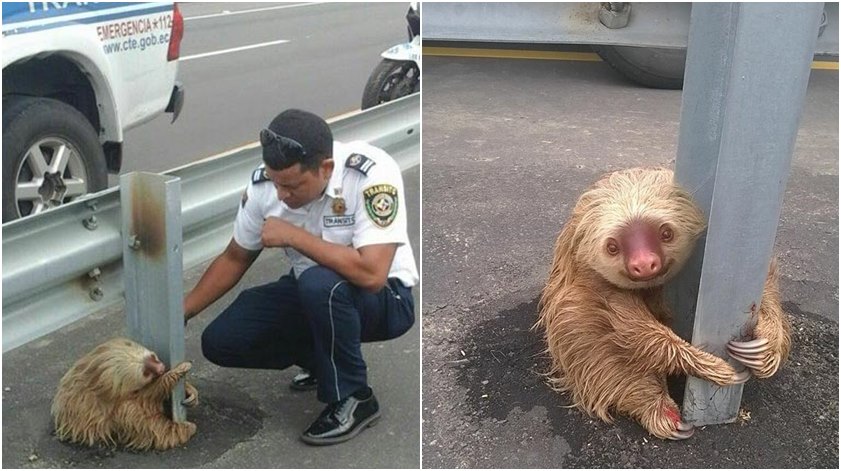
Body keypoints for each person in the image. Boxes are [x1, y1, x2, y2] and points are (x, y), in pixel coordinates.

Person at [183, 109, 418, 445]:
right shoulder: (266, 187)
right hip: (314, 293)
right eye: (276, 183)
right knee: (222, 340)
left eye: (292, 186)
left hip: (386, 300)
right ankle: (322, 361)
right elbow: (235, 257)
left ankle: (354, 397)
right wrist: (184, 310)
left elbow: (372, 274)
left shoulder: (370, 174)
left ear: (325, 169)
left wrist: (293, 235)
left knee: (320, 284)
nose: (281, 195)